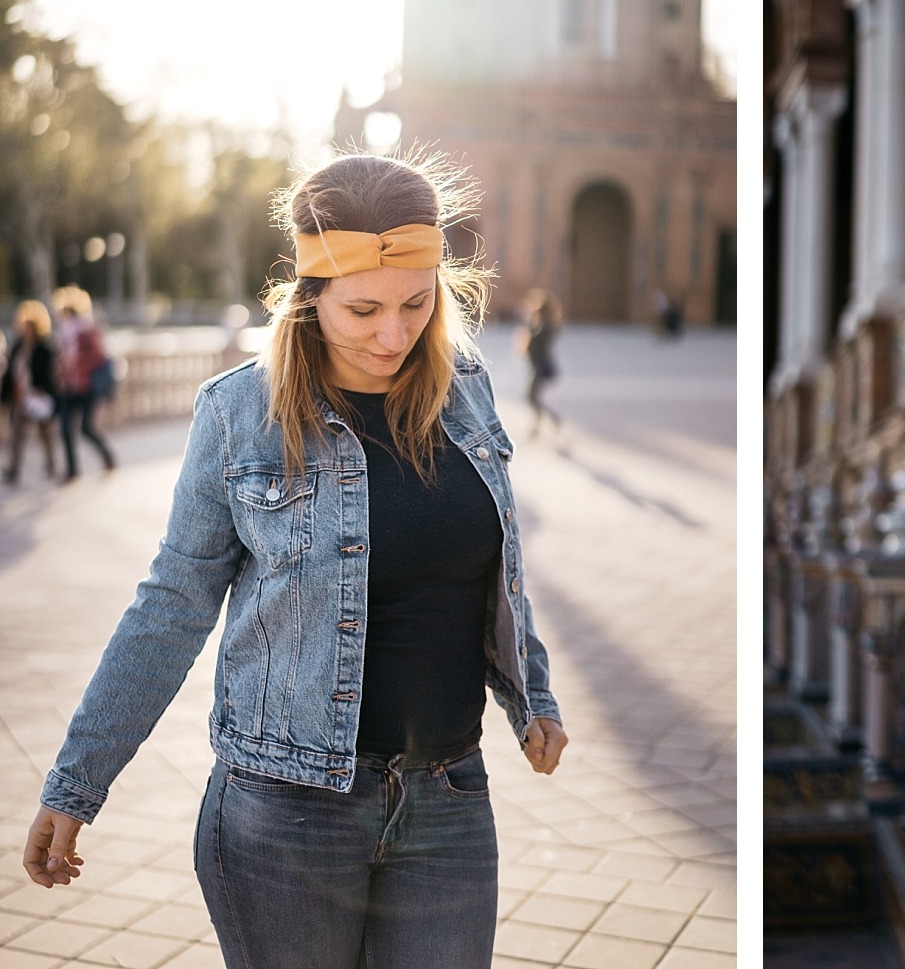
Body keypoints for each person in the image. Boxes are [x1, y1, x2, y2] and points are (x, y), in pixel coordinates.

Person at [24, 153, 568, 969]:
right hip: (286, 812)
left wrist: (533, 694)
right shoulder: (238, 414)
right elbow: (170, 606)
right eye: (363, 308)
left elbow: (494, 573)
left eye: (417, 303)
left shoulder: (468, 388)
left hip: (449, 796)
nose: (394, 333)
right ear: (309, 296)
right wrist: (77, 781)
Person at [52, 286, 116, 481]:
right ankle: (72, 469)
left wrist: (77, 365)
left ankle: (107, 456)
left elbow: (97, 357)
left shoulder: (87, 329)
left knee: (86, 428)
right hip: (69, 386)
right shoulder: (64, 330)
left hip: (86, 385)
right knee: (64, 427)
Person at [1, 300, 60, 483]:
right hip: (21, 397)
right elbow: (10, 373)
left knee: (45, 435)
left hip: (38, 397)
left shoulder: (44, 349)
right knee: (17, 435)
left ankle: (51, 465)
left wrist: (45, 391)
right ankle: (14, 469)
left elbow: (50, 375)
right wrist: (4, 397)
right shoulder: (18, 346)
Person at [519, 287, 563, 439]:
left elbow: (534, 340)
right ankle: (539, 426)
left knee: (531, 397)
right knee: (533, 397)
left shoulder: (546, 326)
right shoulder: (539, 323)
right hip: (537, 365)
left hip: (541, 367)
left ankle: (551, 420)